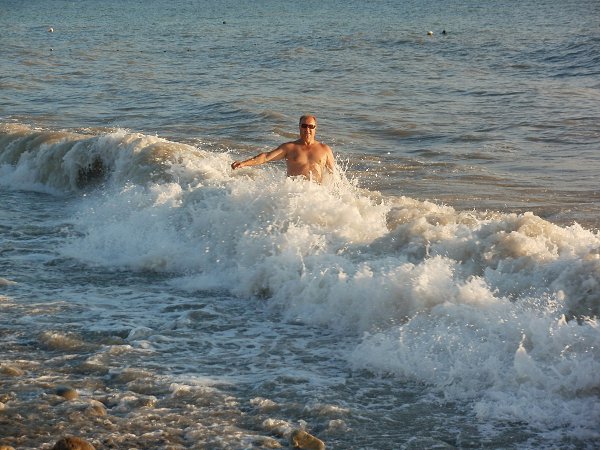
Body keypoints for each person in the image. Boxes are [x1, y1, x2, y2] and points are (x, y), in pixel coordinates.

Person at [231, 115, 335, 183]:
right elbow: (266, 157)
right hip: (294, 195)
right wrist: (243, 163)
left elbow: (333, 175)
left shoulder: (325, 150)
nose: (307, 129)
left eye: (311, 126)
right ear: (299, 127)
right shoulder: (289, 147)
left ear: (315, 128)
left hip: (316, 196)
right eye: (304, 126)